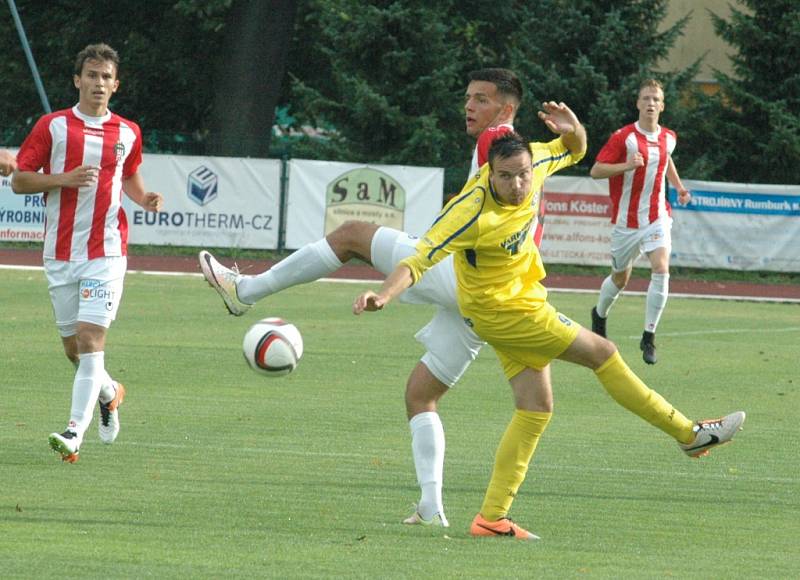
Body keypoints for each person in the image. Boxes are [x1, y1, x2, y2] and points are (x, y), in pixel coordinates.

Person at [353, 129, 745, 540]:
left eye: (522, 174)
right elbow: (419, 259)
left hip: (515, 306)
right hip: (507, 314)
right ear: (489, 171)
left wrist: (574, 128)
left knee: (535, 408)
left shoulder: (536, 161)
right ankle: (689, 434)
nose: (517, 185)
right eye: (506, 176)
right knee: (603, 352)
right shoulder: (468, 210)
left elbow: (575, 150)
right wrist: (383, 294)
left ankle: (491, 518)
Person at [200, 68, 528, 527]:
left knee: (352, 234)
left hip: (461, 278)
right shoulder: (525, 164)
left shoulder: (496, 139)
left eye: (481, 99)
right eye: (468, 98)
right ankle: (432, 508)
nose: (469, 107)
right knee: (421, 396)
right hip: (490, 303)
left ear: (507, 110)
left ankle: (244, 291)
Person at [11, 43, 164, 463]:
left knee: (91, 339)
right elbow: (20, 181)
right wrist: (65, 178)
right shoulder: (53, 127)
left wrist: (143, 196)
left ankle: (74, 432)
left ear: (116, 85)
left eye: (106, 77)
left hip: (107, 252)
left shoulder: (128, 132)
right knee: (73, 350)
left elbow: (128, 174)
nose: (98, 83)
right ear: (77, 80)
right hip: (60, 253)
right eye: (91, 75)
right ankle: (111, 394)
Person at [589, 79, 692, 364]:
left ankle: (648, 338)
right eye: (645, 98)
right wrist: (627, 165)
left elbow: (666, 160)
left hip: (658, 216)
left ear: (662, 105)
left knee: (661, 268)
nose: (650, 103)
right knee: (620, 279)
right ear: (637, 103)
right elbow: (596, 171)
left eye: (655, 99)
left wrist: (680, 187)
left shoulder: (669, 137)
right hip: (626, 222)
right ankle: (599, 315)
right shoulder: (623, 137)